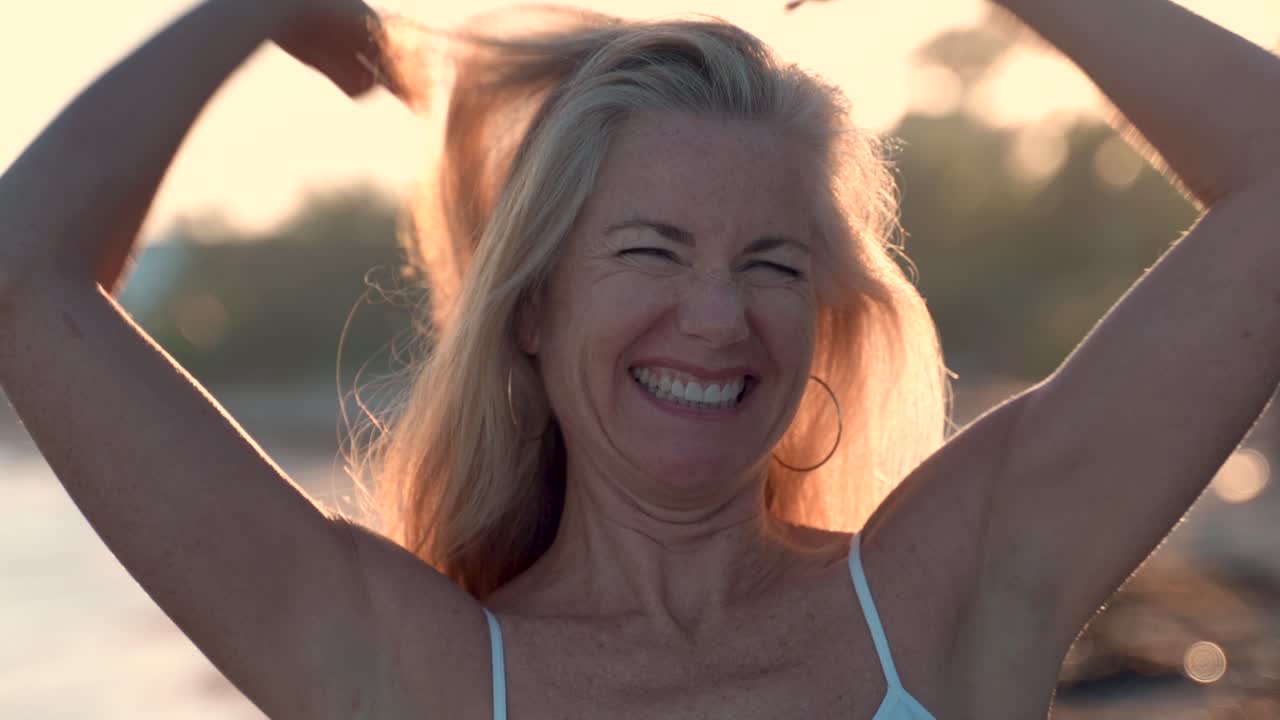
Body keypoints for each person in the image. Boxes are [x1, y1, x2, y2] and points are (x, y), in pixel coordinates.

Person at [1, 0, 1277, 717]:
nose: (715, 319)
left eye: (773, 263)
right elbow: (21, 276)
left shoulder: (948, 597)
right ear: (532, 310)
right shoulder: (405, 670)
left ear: (828, 315)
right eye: (652, 252)